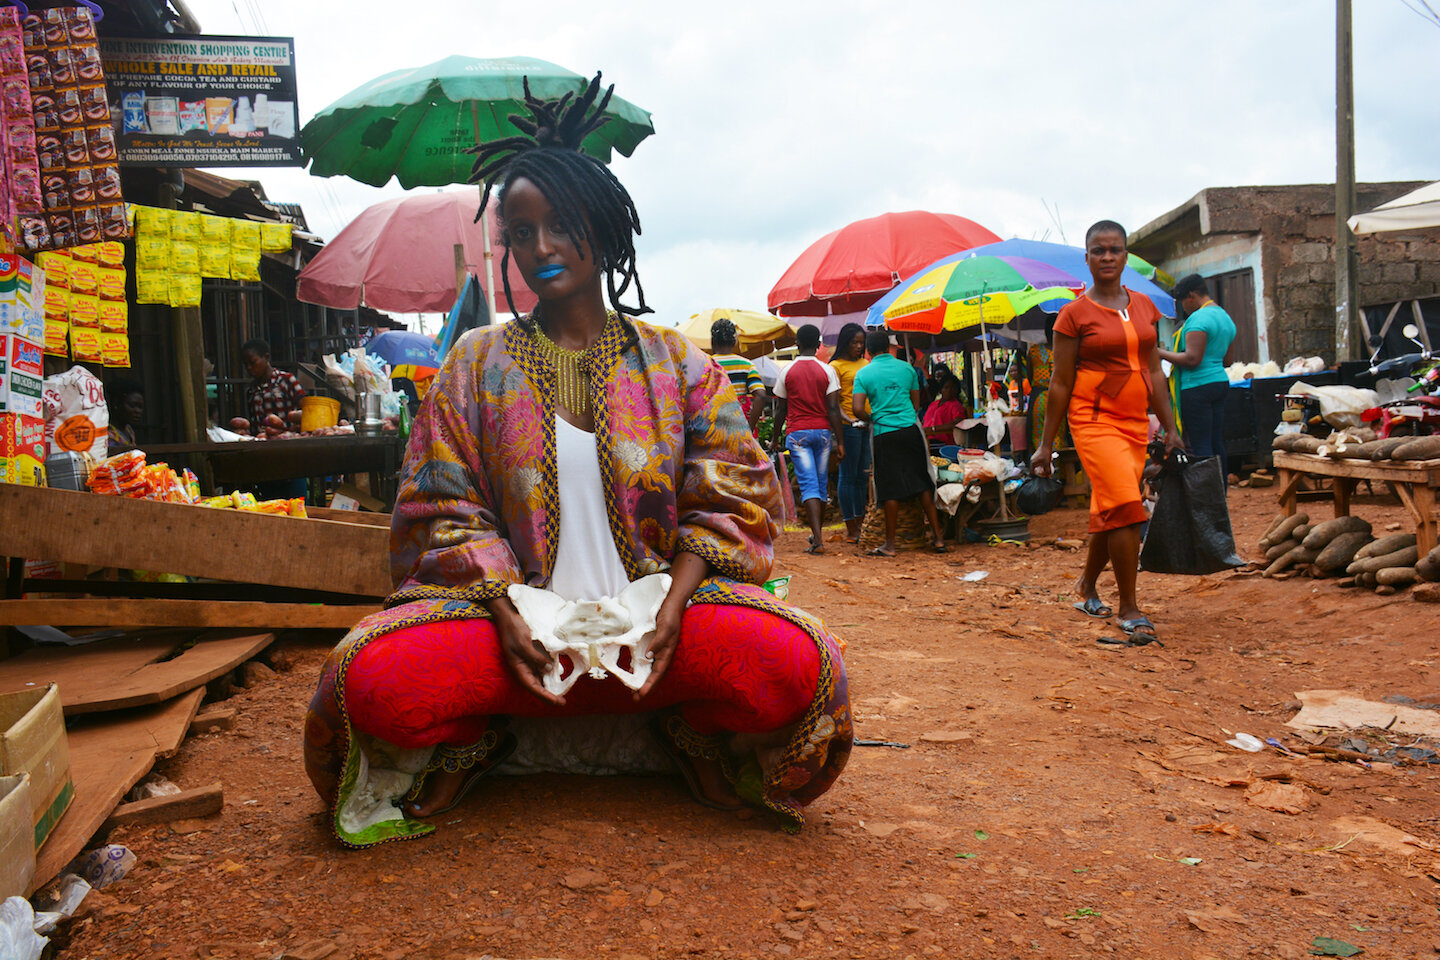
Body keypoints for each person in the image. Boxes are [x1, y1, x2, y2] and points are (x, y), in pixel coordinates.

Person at [302, 75, 851, 848]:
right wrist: (504, 612)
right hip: (514, 633)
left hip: (661, 625)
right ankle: (476, 741)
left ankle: (689, 737)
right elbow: (442, 501)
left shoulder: (677, 362)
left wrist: (670, 610)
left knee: (795, 662)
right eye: (520, 234)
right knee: (372, 679)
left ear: (602, 224)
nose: (540, 249)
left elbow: (732, 494)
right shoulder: (475, 361)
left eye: (558, 225)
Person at [1031, 221, 1184, 644]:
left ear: (1125, 256)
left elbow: (1154, 371)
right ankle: (1129, 608)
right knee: (1127, 505)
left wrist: (1170, 427)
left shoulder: (1144, 308)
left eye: (1115, 250)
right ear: (1087, 258)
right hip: (1094, 419)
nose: (1107, 257)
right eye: (1098, 250)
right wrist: (1045, 445)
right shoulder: (1073, 315)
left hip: (1135, 420)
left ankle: (1085, 587)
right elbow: (1059, 383)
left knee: (1111, 509)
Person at [852, 329, 947, 556]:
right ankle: (938, 538)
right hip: (911, 430)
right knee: (923, 482)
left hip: (884, 433)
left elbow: (857, 408)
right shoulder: (907, 369)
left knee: (889, 489)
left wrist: (874, 418)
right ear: (888, 348)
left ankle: (890, 544)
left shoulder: (864, 374)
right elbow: (916, 403)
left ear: (868, 351)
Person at [770, 323, 845, 554]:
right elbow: (833, 408)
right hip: (823, 433)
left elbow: (781, 409)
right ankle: (816, 534)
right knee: (820, 485)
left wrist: (774, 438)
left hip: (798, 433)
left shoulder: (787, 371)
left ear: (797, 344)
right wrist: (840, 441)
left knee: (809, 485)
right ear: (819, 344)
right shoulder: (827, 370)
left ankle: (819, 539)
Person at [1158, 273, 1237, 477]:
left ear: (1191, 296)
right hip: (1219, 383)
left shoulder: (1197, 319)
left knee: (1201, 446)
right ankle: (1220, 493)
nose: (1183, 308)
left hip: (1196, 387)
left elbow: (1193, 360)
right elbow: (1227, 361)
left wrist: (1158, 352)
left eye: (1183, 302)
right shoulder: (1225, 316)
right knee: (1216, 442)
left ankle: (1207, 500)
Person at [829, 323, 871, 543]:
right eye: (854, 342)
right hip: (849, 427)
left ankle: (862, 522)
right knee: (848, 476)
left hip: (868, 425)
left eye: (861, 342)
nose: (858, 346)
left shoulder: (866, 364)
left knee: (863, 476)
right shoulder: (835, 366)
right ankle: (851, 526)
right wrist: (850, 420)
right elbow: (833, 404)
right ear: (845, 342)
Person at [709, 318, 768, 433]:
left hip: (714, 430)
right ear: (735, 341)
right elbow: (761, 395)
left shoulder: (706, 364)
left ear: (712, 341)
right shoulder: (746, 365)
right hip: (741, 428)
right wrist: (749, 428)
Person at [239, 338, 305, 433]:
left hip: (286, 440)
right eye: (246, 365)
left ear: (266, 357)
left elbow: (306, 409)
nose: (249, 368)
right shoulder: (251, 389)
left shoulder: (286, 380)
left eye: (252, 363)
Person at [921, 374, 965, 442]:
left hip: (942, 442)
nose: (949, 391)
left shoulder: (956, 405)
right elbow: (924, 421)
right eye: (946, 387)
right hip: (926, 438)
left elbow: (957, 423)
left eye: (953, 388)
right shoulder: (934, 404)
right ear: (941, 390)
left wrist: (934, 429)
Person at [106, 377, 144, 454]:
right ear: (116, 404)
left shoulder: (128, 430)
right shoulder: (107, 434)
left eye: (140, 407)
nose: (137, 411)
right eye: (132, 405)